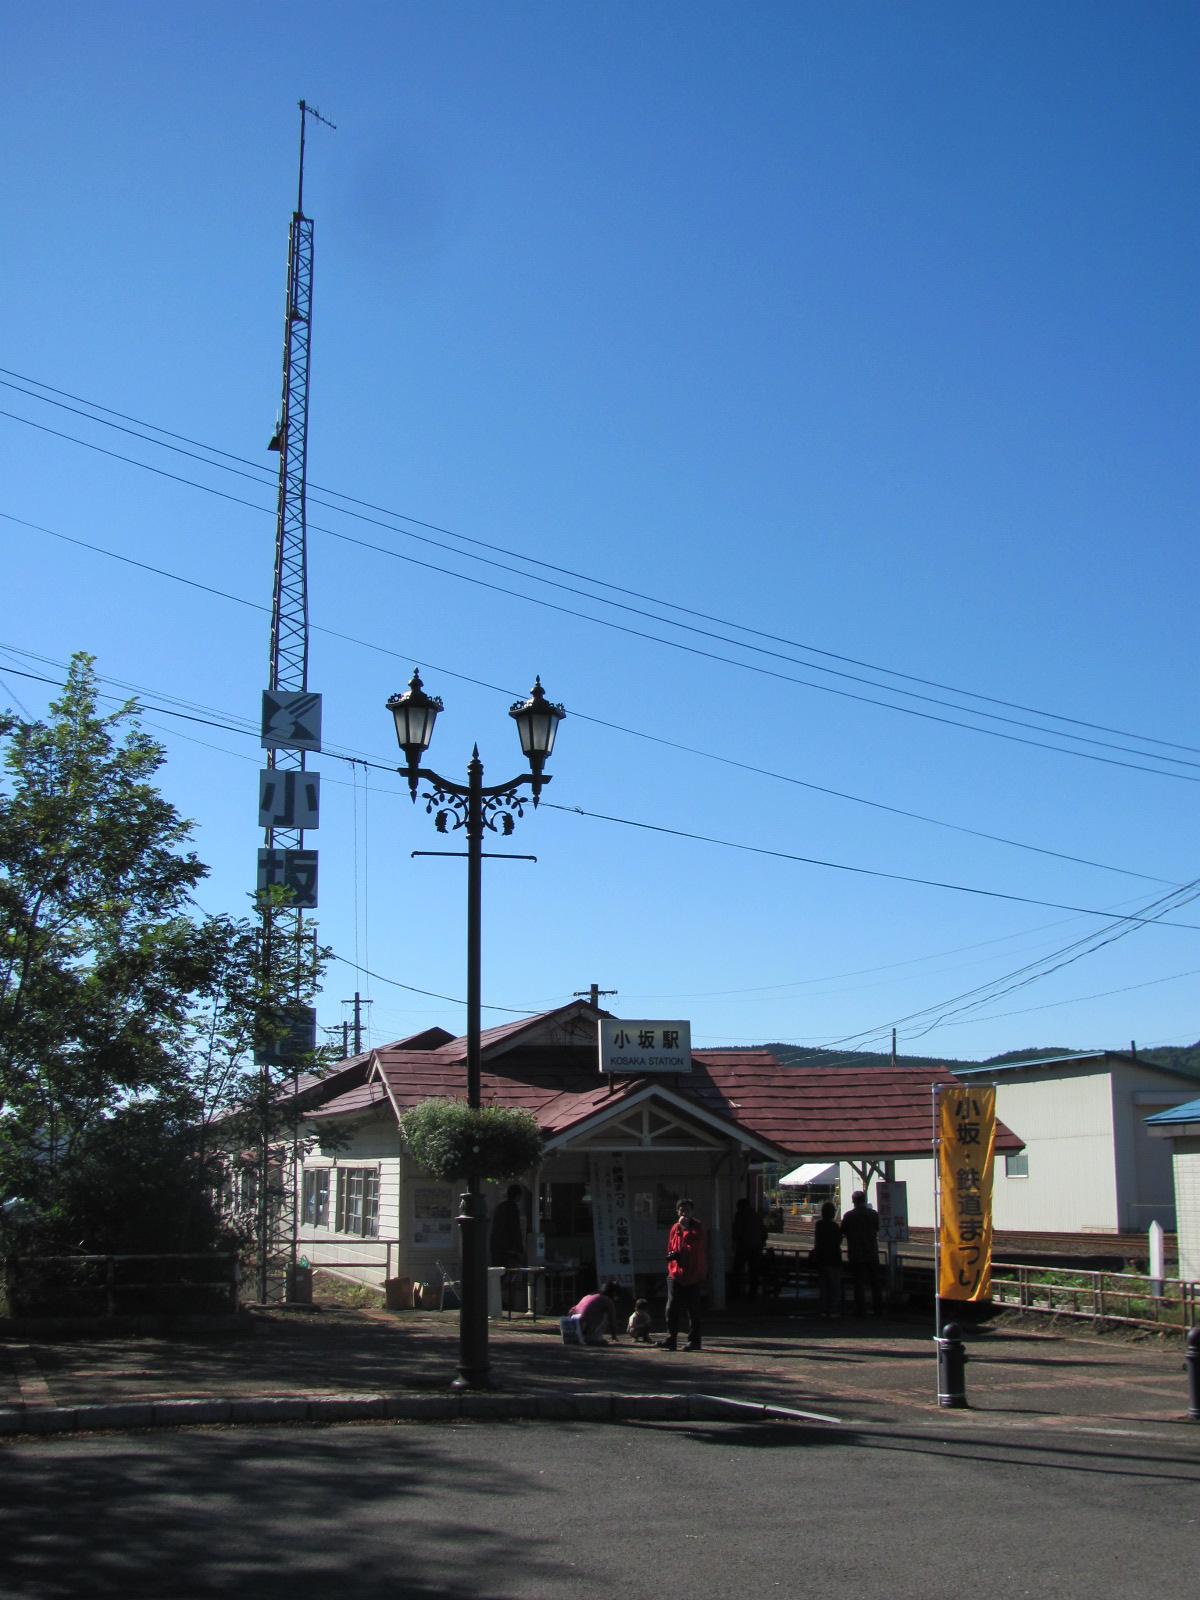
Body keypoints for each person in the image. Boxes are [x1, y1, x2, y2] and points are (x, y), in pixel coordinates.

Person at [658, 1196, 707, 1351]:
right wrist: (672, 1257)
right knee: (672, 1306)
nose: (684, 1213)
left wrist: (685, 1228)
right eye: (681, 1209)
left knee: (693, 1308)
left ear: (692, 1211)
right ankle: (671, 1338)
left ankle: (694, 1340)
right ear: (677, 1211)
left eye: (687, 1210)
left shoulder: (697, 1226)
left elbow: (696, 1244)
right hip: (675, 1273)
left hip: (693, 1273)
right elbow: (671, 1246)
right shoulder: (674, 1227)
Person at [841, 1189, 884, 1317]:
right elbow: (877, 1228)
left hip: (856, 1252)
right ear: (864, 1200)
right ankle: (878, 1308)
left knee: (858, 1282)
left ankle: (860, 1309)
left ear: (853, 1201)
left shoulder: (849, 1216)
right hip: (871, 1251)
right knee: (875, 1282)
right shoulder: (873, 1214)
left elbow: (842, 1231)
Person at [731, 1197, 768, 1299]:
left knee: (737, 1268)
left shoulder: (740, 1214)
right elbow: (764, 1231)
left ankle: (736, 1291)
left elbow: (737, 1230)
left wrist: (734, 1242)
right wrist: (762, 1242)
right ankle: (753, 1292)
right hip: (757, 1246)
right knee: (754, 1270)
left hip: (744, 1246)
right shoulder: (756, 1215)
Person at [812, 1200, 844, 1318]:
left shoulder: (819, 1225)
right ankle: (833, 1308)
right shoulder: (835, 1226)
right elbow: (839, 1240)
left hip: (822, 1258)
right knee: (834, 1286)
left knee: (823, 1286)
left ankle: (823, 1308)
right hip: (834, 1259)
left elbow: (817, 1242)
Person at [489, 1184, 526, 1268]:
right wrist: (519, 1248)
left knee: (498, 1272)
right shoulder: (513, 1208)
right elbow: (515, 1229)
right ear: (517, 1196)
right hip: (508, 1248)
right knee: (510, 1272)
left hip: (496, 1245)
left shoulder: (500, 1207)